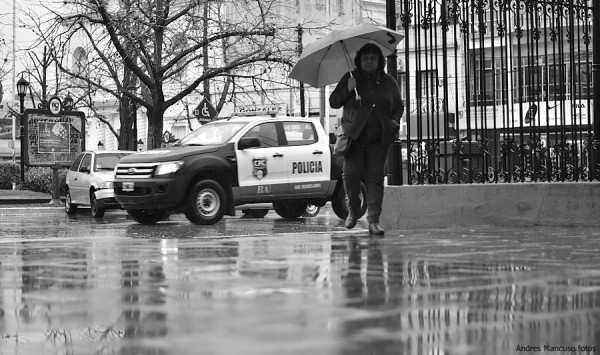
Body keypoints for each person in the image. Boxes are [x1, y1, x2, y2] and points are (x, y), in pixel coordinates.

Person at [329, 43, 404, 235]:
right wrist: (347, 88)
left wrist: (393, 123)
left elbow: (398, 106)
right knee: (351, 175)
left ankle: (373, 221)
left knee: (375, 178)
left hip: (379, 139)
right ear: (359, 60)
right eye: (365, 58)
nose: (369, 61)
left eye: (373, 58)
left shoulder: (388, 82)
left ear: (379, 61)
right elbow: (334, 101)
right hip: (354, 138)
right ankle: (354, 209)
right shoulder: (351, 78)